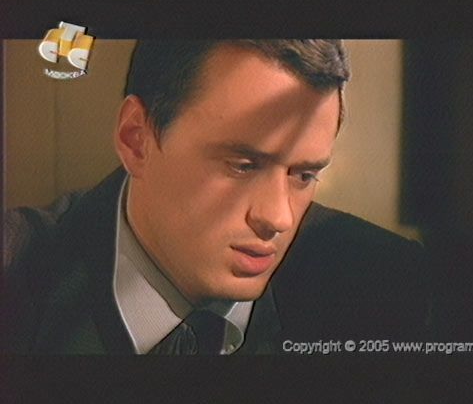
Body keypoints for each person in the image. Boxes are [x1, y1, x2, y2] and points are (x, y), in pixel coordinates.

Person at [3, 40, 430, 354]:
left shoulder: (387, 290)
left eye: (304, 175)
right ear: (136, 140)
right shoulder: (15, 275)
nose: (278, 218)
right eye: (242, 166)